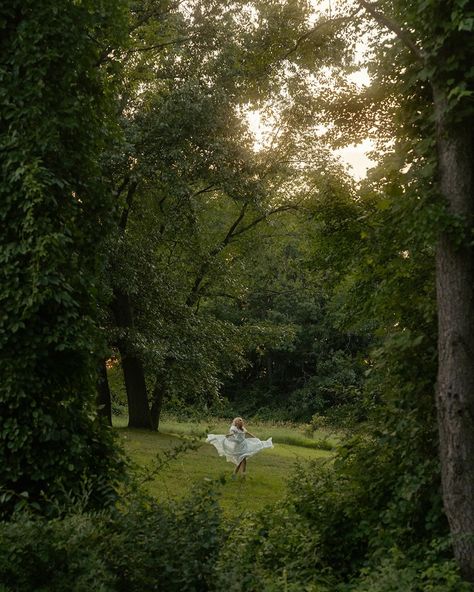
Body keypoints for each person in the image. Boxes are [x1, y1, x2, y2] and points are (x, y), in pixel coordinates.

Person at [206, 417, 273, 478]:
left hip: (244, 445)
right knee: (241, 460)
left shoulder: (243, 428)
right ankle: (239, 475)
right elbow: (232, 433)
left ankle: (239, 475)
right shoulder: (233, 428)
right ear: (236, 422)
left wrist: (255, 438)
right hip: (238, 446)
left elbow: (248, 433)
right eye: (239, 420)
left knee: (242, 460)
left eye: (241, 420)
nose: (241, 421)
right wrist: (229, 435)